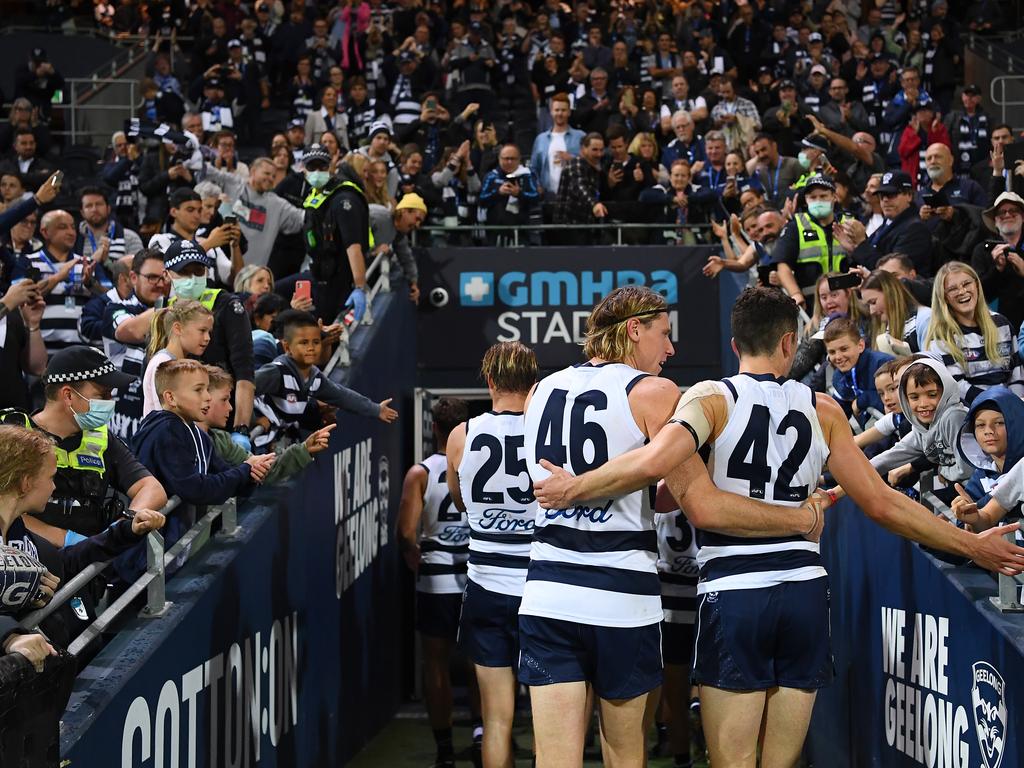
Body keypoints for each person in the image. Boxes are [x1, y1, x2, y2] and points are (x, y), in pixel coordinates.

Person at [531, 287, 1024, 767]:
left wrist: (575, 488)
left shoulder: (709, 398)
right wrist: (972, 545)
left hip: (732, 592)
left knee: (731, 759)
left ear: (734, 344)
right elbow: (881, 503)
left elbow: (666, 471)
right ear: (790, 342)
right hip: (804, 593)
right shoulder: (823, 408)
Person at [444, 342, 537, 768]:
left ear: (490, 381)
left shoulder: (462, 434)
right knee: (551, 719)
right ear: (533, 383)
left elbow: (460, 501)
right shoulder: (549, 430)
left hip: (485, 586)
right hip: (541, 589)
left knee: (497, 720)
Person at [0, 424, 165, 649]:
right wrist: (9, 636)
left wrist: (128, 530)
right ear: (26, 483)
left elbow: (66, 561)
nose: (54, 487)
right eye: (51, 477)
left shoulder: (18, 530)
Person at [0, 345, 168, 545]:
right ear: (68, 395)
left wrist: (123, 526)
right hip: (24, 558)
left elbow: (152, 488)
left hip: (90, 563)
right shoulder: (12, 432)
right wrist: (64, 539)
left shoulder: (101, 438)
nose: (110, 401)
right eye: (103, 395)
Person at [397, 397, 480, 768]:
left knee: (436, 664)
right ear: (466, 426)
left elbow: (406, 533)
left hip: (436, 579)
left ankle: (445, 750)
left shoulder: (421, 473)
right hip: (479, 575)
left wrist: (416, 557)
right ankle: (484, 737)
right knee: (486, 663)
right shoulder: (480, 465)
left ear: (433, 428)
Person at [132, 359, 272, 557]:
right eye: (198, 390)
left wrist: (251, 474)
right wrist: (245, 471)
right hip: (145, 557)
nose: (207, 397)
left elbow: (221, 471)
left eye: (207, 389)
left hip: (171, 549)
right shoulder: (166, 432)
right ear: (170, 398)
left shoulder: (194, 431)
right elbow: (195, 488)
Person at [253, 310, 397, 451]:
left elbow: (342, 396)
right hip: (253, 444)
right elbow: (242, 388)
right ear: (287, 347)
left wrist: (375, 409)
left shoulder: (314, 376)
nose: (311, 348)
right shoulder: (277, 372)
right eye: (303, 343)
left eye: (316, 342)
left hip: (276, 442)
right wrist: (254, 419)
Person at [163, 239, 255, 448]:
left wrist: (241, 429)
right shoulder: (164, 312)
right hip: (178, 424)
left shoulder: (228, 306)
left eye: (198, 271)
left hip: (222, 423)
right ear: (168, 274)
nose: (192, 278)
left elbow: (245, 373)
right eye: (184, 272)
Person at [201, 365, 334, 484]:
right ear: (203, 399)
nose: (230, 407)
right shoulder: (183, 438)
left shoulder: (221, 439)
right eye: (224, 400)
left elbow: (263, 469)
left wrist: (304, 449)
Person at [863, 356, 972, 490]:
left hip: (982, 492)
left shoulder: (954, 416)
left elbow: (967, 469)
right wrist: (835, 493)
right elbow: (886, 459)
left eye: (931, 394)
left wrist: (944, 471)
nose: (923, 404)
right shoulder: (920, 425)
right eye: (914, 397)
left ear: (946, 390)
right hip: (962, 489)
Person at [924, 261, 1024, 404]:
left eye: (966, 284)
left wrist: (1015, 404)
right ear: (944, 296)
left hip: (1009, 405)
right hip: (970, 411)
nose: (962, 292)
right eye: (952, 289)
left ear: (977, 285)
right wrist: (995, 404)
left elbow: (1016, 373)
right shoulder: (941, 335)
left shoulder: (1001, 323)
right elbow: (956, 385)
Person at [16, 210, 112, 357]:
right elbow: (18, 299)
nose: (71, 232)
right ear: (45, 232)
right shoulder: (28, 262)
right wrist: (59, 276)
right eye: (62, 227)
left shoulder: (87, 264)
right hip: (41, 352)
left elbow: (112, 298)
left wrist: (91, 284)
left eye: (72, 227)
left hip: (83, 352)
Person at [100, 248, 170, 441]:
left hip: (157, 415)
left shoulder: (173, 312)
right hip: (120, 422)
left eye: (164, 278)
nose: (160, 284)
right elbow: (132, 331)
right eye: (152, 278)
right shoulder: (116, 308)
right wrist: (171, 304)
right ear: (133, 277)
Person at [303, 151, 372, 325]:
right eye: (312, 167)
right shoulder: (316, 197)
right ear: (303, 170)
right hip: (321, 279)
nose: (317, 172)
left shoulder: (344, 198)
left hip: (343, 284)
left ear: (332, 166)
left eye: (323, 167)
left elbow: (353, 246)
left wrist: (360, 287)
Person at [202, 157, 305, 269]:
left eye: (273, 176)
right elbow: (205, 171)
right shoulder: (233, 185)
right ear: (253, 171)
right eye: (267, 173)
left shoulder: (278, 205)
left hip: (252, 276)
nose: (270, 178)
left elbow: (304, 218)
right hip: (220, 268)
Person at [772, 175, 851, 305]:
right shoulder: (795, 226)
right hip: (811, 302)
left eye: (823, 196)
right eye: (813, 197)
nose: (818, 201)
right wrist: (796, 295)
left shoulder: (849, 224)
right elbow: (782, 265)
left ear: (834, 197)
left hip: (847, 300)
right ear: (806, 200)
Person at [836, 171, 933, 274]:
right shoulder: (888, 223)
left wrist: (861, 244)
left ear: (909, 195)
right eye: (882, 196)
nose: (885, 200)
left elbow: (892, 272)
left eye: (892, 195)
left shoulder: (915, 229)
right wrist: (854, 249)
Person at [142, 300, 213, 416]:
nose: (207, 338)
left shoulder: (179, 362)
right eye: (202, 330)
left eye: (209, 332)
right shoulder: (162, 362)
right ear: (178, 328)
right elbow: (164, 413)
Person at [823, 316, 894, 426]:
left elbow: (897, 404)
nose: (838, 357)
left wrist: (863, 400)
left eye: (844, 349)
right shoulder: (838, 376)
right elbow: (837, 413)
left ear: (860, 345)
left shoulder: (883, 364)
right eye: (832, 352)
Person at [972, 192, 1024, 333]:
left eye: (1013, 211)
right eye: (1001, 212)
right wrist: (997, 270)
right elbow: (975, 293)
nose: (1007, 215)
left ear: (1023, 217)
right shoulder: (982, 250)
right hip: (995, 326)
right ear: (995, 220)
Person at [860, 269, 932, 353]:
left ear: (890, 293)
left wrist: (907, 353)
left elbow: (937, 362)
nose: (871, 311)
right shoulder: (885, 329)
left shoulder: (925, 318)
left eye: (873, 302)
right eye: (868, 305)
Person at [553, 132, 606, 244]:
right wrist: (594, 204)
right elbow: (579, 186)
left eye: (601, 150)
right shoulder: (577, 163)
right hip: (568, 227)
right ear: (583, 149)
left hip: (584, 226)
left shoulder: (595, 169)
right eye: (595, 150)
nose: (599, 154)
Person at [529, 94, 584, 198]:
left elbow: (590, 163)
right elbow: (534, 168)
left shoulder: (580, 136)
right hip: (548, 195)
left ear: (569, 112)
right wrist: (537, 185)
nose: (560, 113)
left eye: (563, 110)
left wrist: (572, 158)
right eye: (557, 110)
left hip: (575, 194)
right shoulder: (541, 139)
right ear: (551, 112)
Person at [75, 187, 144, 264]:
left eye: (99, 204)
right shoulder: (74, 239)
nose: (94, 209)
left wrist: (107, 262)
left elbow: (138, 271)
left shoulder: (130, 238)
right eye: (89, 206)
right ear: (82, 212)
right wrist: (93, 260)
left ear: (108, 209)